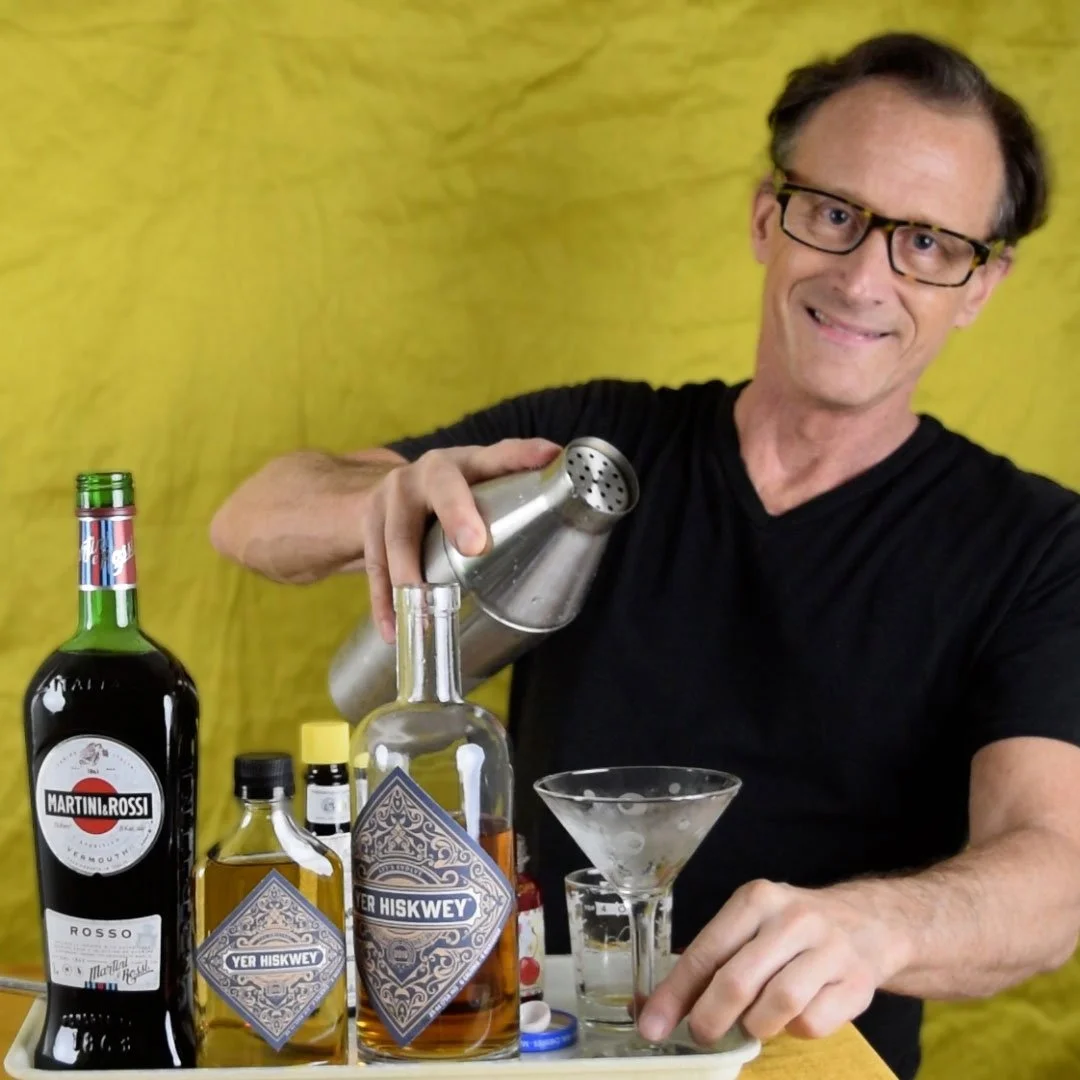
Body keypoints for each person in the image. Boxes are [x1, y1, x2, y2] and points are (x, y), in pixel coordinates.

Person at [208, 31, 1080, 1080]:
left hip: (808, 1059)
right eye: (835, 213)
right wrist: (379, 498)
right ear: (767, 218)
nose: (863, 278)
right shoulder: (592, 455)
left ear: (980, 285)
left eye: (929, 244)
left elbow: (1054, 874)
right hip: (543, 1048)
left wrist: (876, 925)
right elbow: (251, 516)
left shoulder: (1036, 544)